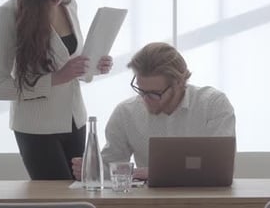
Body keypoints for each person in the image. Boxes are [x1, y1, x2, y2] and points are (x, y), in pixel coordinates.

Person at [0, 0, 113, 180]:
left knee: (82, 195)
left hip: (76, 120)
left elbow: (70, 62)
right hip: (37, 128)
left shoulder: (69, 5)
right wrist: (54, 79)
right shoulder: (10, 13)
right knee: (56, 200)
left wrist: (95, 67)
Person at [71, 42, 236, 180]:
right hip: (149, 201)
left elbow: (220, 165)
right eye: (141, 90)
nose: (145, 99)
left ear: (179, 82)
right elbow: (111, 166)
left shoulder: (213, 104)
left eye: (154, 94)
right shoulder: (126, 112)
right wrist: (91, 169)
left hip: (205, 199)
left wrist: (156, 173)